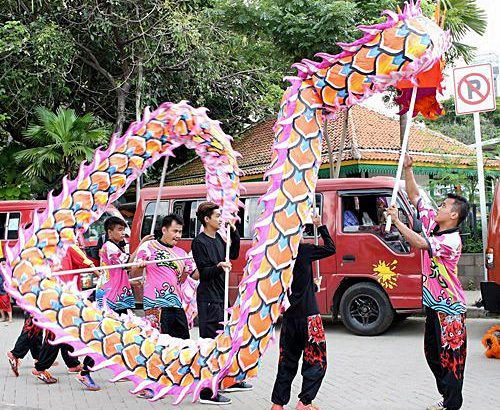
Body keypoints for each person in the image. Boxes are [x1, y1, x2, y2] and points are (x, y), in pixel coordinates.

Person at [386, 155, 469, 410]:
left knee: (451, 361)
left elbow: (420, 243)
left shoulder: (451, 241)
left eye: (444, 206)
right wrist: (409, 170)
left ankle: (452, 405)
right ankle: (447, 399)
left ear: (453, 215)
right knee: (433, 355)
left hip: (451, 308)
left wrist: (398, 221)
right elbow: (415, 197)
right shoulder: (434, 223)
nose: (439, 207)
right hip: (435, 304)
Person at [271, 214, 335, 410]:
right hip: (310, 318)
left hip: (289, 318)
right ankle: (304, 402)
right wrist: (320, 226)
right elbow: (331, 248)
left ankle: (278, 404)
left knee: (287, 361)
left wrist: (312, 287)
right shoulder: (304, 250)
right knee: (316, 360)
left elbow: (291, 287)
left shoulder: (276, 255)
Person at [191, 201, 251, 405]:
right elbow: (204, 273)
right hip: (208, 299)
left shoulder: (218, 238)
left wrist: (234, 232)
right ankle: (207, 392)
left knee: (223, 342)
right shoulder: (199, 242)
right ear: (207, 219)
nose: (220, 219)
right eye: (217, 216)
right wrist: (218, 266)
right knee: (209, 346)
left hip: (221, 297)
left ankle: (225, 380)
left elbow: (232, 254)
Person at [32, 244, 100, 390]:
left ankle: (72, 364)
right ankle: (41, 367)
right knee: (59, 335)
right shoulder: (68, 245)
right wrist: (103, 275)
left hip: (52, 294)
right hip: (65, 297)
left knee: (65, 333)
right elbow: (87, 263)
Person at [132, 214, 194, 338]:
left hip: (176, 304)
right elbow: (134, 275)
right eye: (175, 231)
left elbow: (184, 278)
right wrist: (140, 267)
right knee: (159, 345)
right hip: (156, 304)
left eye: (180, 232)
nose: (178, 236)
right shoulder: (149, 246)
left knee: (184, 344)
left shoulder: (182, 254)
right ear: (164, 230)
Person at [97, 216, 152, 314]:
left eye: (123, 230)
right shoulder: (110, 247)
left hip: (112, 292)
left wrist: (130, 282)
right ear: (110, 232)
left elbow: (116, 273)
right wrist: (142, 243)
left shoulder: (111, 246)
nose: (123, 233)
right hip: (113, 296)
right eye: (119, 230)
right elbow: (128, 265)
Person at [0, 255, 13, 324]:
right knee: (0, 305)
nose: (2, 262)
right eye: (1, 261)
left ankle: (10, 318)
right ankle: (3, 317)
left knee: (7, 304)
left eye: (3, 261)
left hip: (5, 290)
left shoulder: (8, 270)